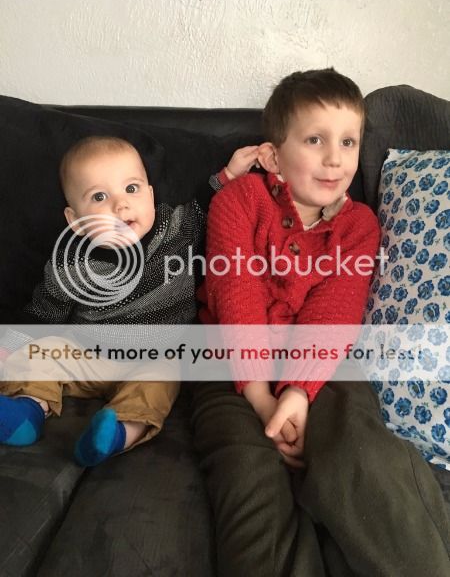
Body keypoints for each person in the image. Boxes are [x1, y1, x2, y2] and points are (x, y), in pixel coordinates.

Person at [192, 69, 450, 576]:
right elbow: (237, 295)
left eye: (348, 142)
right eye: (315, 140)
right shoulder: (237, 201)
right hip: (228, 367)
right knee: (247, 473)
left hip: (323, 365)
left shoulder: (359, 226)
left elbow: (334, 311)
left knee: (362, 457)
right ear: (273, 156)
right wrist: (261, 396)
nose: (335, 158)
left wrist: (298, 391)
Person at [0, 136, 214, 466]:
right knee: (42, 351)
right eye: (99, 196)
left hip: (152, 357)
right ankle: (28, 411)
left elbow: (204, 204)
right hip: (87, 356)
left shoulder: (176, 228)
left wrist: (229, 175)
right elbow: (42, 315)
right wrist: (8, 347)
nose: (120, 205)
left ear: (150, 195)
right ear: (75, 220)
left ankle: (117, 433)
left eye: (131, 188)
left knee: (161, 378)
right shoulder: (71, 264)